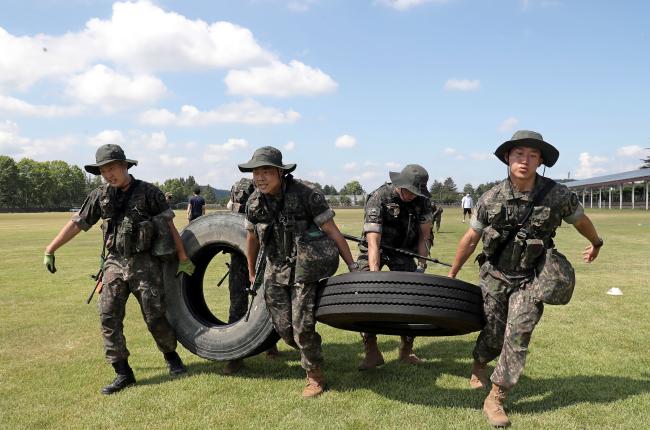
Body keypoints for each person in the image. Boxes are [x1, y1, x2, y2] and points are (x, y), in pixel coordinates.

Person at [447, 130, 603, 427]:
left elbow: (580, 220)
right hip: (494, 276)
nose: (525, 161)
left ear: (541, 161)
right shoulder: (491, 198)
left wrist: (596, 242)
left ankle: (495, 397)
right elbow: (470, 238)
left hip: (532, 279)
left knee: (518, 335)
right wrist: (452, 274)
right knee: (493, 334)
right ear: (508, 157)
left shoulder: (557, 195)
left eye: (533, 156)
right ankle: (479, 363)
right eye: (519, 154)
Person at [43, 144, 196, 395]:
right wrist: (50, 249)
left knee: (154, 315)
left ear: (125, 166)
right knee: (108, 315)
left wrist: (182, 256)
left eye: (112, 168)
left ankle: (171, 356)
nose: (108, 174)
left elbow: (169, 226)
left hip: (145, 263)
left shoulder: (149, 192)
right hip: (114, 262)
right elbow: (77, 224)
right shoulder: (100, 195)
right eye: (103, 170)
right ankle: (123, 373)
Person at [239, 146, 357, 398]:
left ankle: (314, 376)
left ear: (280, 172)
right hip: (275, 270)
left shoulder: (306, 194)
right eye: (255, 172)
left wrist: (352, 266)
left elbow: (332, 231)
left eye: (266, 171)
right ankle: (311, 348)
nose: (259, 177)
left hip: (306, 268)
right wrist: (251, 271)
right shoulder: (254, 202)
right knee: (285, 330)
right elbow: (252, 239)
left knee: (302, 326)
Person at [356, 164, 433, 371]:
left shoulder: (424, 202)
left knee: (412, 298)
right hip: (376, 249)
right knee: (364, 294)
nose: (410, 195)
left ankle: (407, 348)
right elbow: (373, 241)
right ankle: (371, 349)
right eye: (407, 190)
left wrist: (421, 265)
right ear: (399, 184)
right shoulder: (379, 197)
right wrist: (374, 275)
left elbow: (425, 236)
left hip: (404, 251)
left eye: (415, 192)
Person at [222, 177, 279, 375]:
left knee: (269, 301)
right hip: (240, 257)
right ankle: (235, 356)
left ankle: (270, 345)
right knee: (238, 304)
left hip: (267, 255)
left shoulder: (264, 196)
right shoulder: (240, 189)